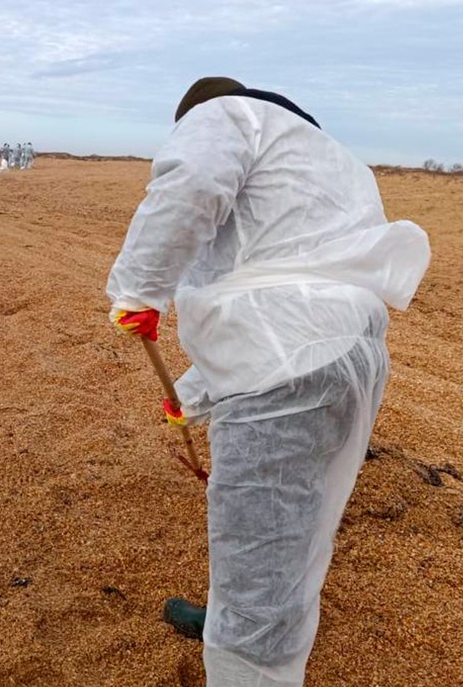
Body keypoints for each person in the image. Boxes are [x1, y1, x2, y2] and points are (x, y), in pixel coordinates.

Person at [106, 77, 429, 687]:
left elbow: (193, 185)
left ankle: (248, 658)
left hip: (287, 373)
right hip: (351, 356)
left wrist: (139, 290)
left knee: (264, 540)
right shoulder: (336, 163)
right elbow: (278, 295)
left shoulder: (227, 113)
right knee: (297, 522)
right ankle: (240, 614)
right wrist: (194, 396)